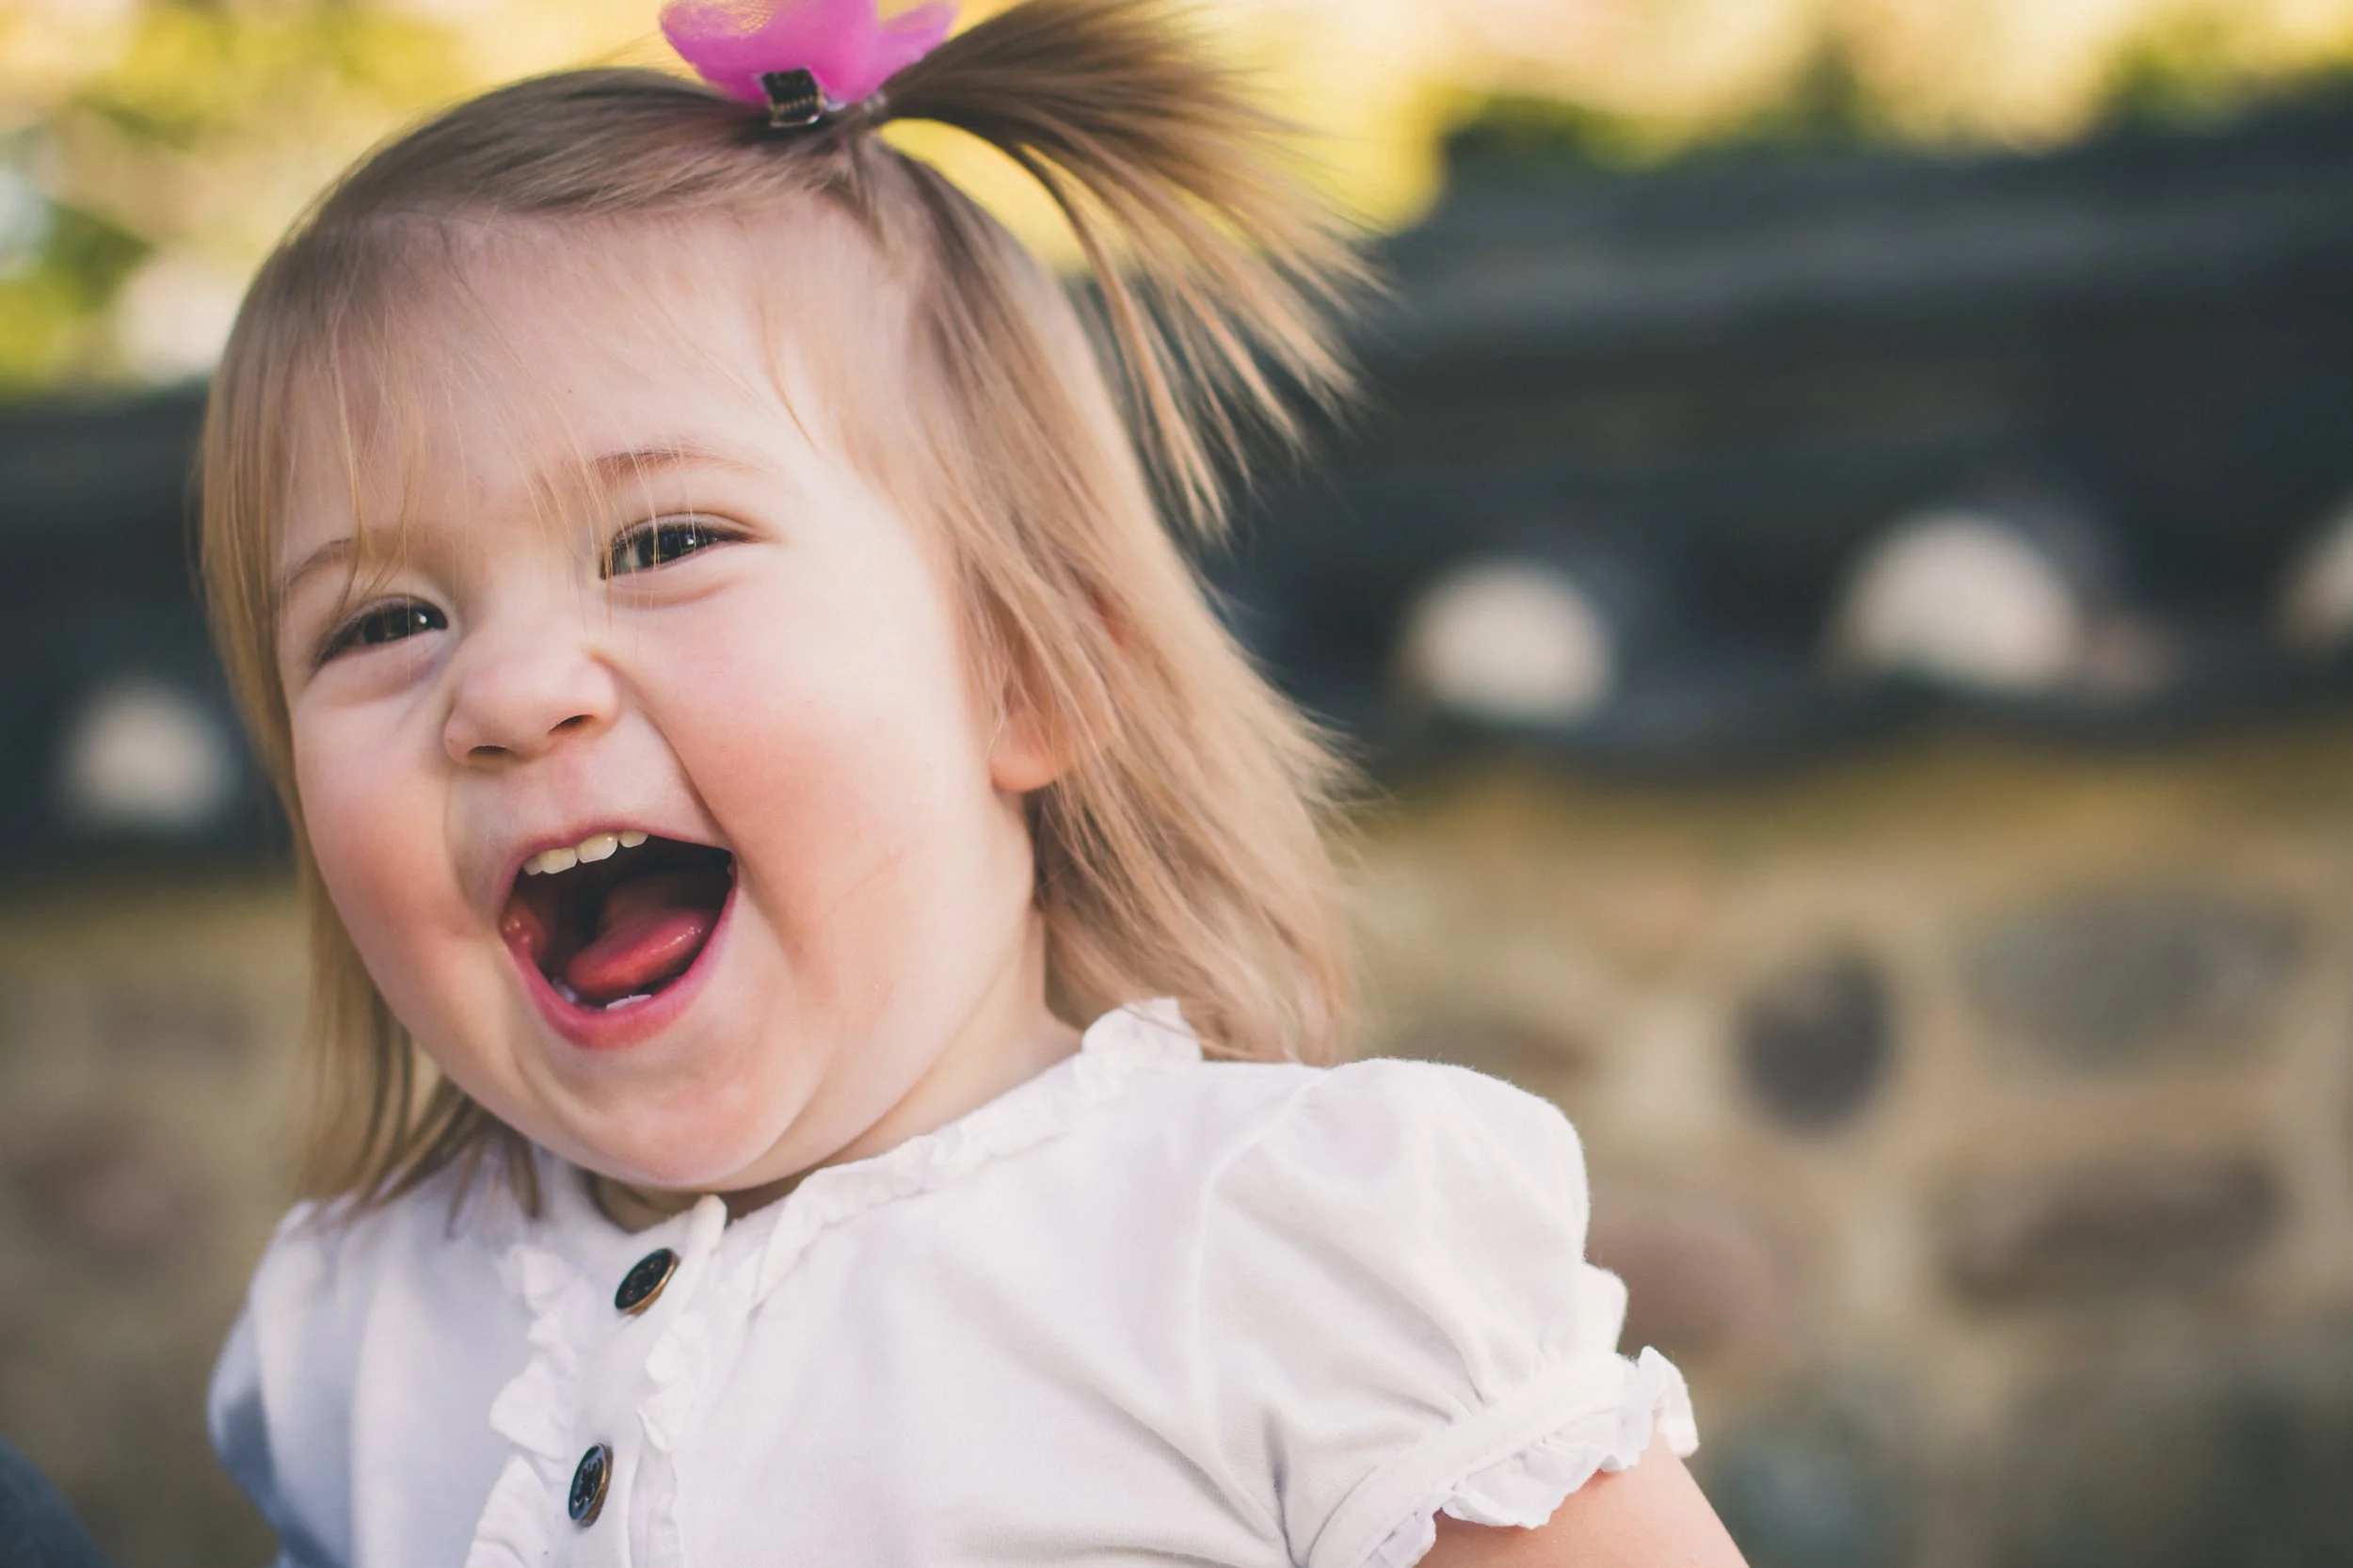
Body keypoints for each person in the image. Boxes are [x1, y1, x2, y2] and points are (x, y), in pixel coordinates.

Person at [199, 1, 1748, 1562]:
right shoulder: (358, 1335)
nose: (508, 692)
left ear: (1024, 672)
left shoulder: (1266, 1249)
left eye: (663, 542)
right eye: (382, 623)